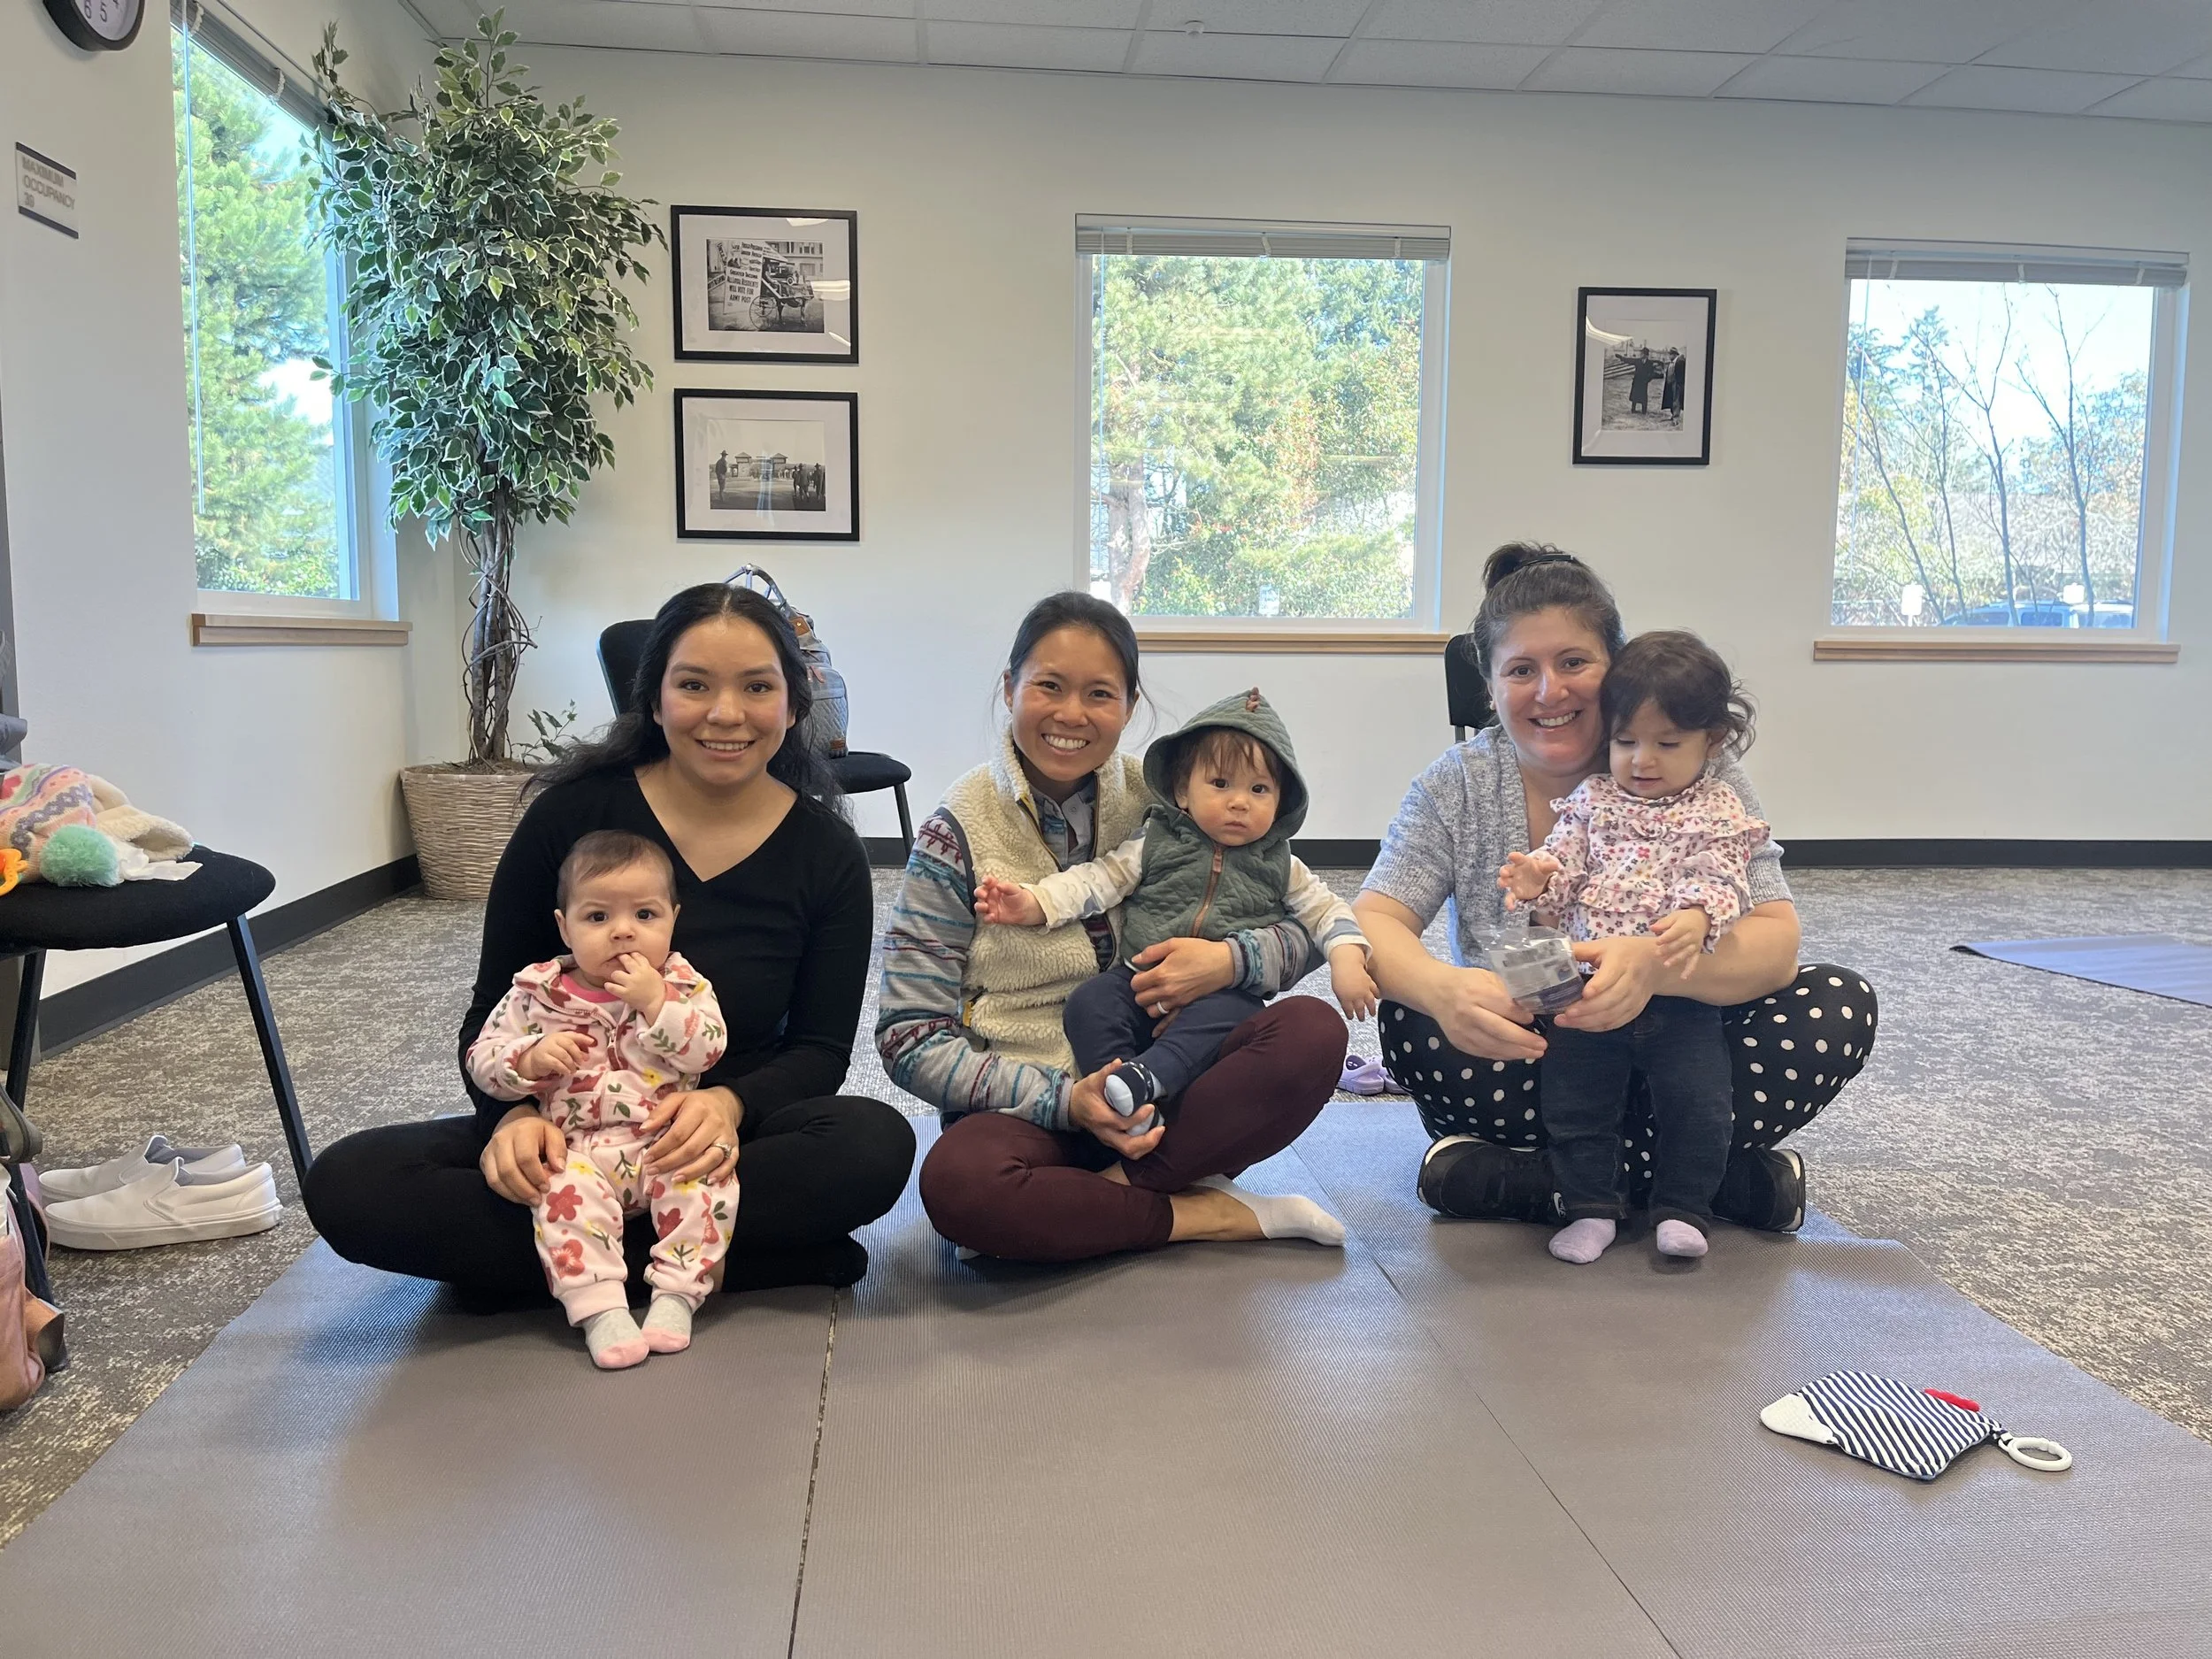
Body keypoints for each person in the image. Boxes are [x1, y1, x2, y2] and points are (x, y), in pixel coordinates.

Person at [303, 584, 915, 1308]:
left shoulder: (828, 851)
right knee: (351, 1184)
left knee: (873, 1145)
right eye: (694, 685)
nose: (726, 713)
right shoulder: (571, 816)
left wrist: (727, 1104)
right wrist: (512, 1117)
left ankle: (565, 1264)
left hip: (705, 1140)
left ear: (792, 705)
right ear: (653, 700)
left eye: (757, 686)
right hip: (566, 1134)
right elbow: (489, 1013)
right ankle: (713, 1261)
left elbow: (818, 1051)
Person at [1351, 544, 1876, 1233]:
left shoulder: (1694, 766)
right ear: (1489, 686)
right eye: (1520, 670)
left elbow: (1776, 943)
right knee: (1411, 1019)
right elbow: (1375, 917)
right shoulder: (1458, 782)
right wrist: (1442, 990)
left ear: (1616, 667)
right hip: (1543, 1062)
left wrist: (1653, 966)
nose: (1549, 691)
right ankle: (1700, 1183)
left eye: (1574, 662)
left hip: (1689, 1052)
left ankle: (1554, 1184)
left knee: (1836, 1005)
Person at [879, 594, 1352, 1262]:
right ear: (1009, 687)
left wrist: (1229, 961)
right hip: (1030, 1104)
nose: (1071, 714)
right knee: (960, 1186)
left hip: (1166, 1080)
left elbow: (1297, 916)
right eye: (1048, 686)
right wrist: (1066, 1101)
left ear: (1129, 707)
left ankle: (1099, 1201)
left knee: (1313, 1031)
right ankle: (1206, 1213)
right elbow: (908, 1036)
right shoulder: (955, 830)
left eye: (1099, 693)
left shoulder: (1179, 797)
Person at [974, 685, 1374, 1133]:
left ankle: (1149, 1079)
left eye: (1259, 789)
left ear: (1280, 802)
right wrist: (1034, 903)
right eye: (1220, 784)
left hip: (1223, 994)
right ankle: (1118, 1091)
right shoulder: (1156, 841)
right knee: (1091, 1002)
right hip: (1138, 979)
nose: (1239, 801)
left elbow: (1325, 911)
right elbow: (1097, 880)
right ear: (1183, 791)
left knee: (1233, 1019)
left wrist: (1347, 958)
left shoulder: (1281, 864)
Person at [1494, 631, 1767, 1265]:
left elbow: (1724, 872)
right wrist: (1539, 876)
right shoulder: (1593, 800)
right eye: (1625, 741)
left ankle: (1683, 1207)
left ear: (1713, 741)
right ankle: (1591, 1207)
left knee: (1699, 1104)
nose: (1642, 760)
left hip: (1678, 998)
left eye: (1667, 743)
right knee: (1574, 1101)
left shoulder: (1718, 806)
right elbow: (1563, 859)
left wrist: (1699, 916)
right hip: (1590, 994)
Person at [466, 830, 734, 1368]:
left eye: (645, 916)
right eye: (597, 918)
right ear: (564, 927)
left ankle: (678, 1296)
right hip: (577, 1151)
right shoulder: (535, 994)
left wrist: (656, 1004)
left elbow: (708, 1050)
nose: (623, 933)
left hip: (664, 1143)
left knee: (706, 1181)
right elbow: (481, 1059)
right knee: (558, 1194)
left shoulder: (681, 985)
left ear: (673, 919)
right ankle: (600, 1310)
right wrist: (527, 1059)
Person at [1629, 349, 1660, 415]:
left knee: (1643, 397)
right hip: (1637, 381)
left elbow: (1652, 373)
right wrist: (1621, 358)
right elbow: (1629, 360)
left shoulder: (1649, 363)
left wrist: (1647, 380)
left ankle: (1644, 411)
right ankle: (1633, 409)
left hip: (1643, 382)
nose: (1640, 354)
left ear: (1645, 355)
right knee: (1635, 395)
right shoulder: (1638, 361)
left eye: (1642, 353)